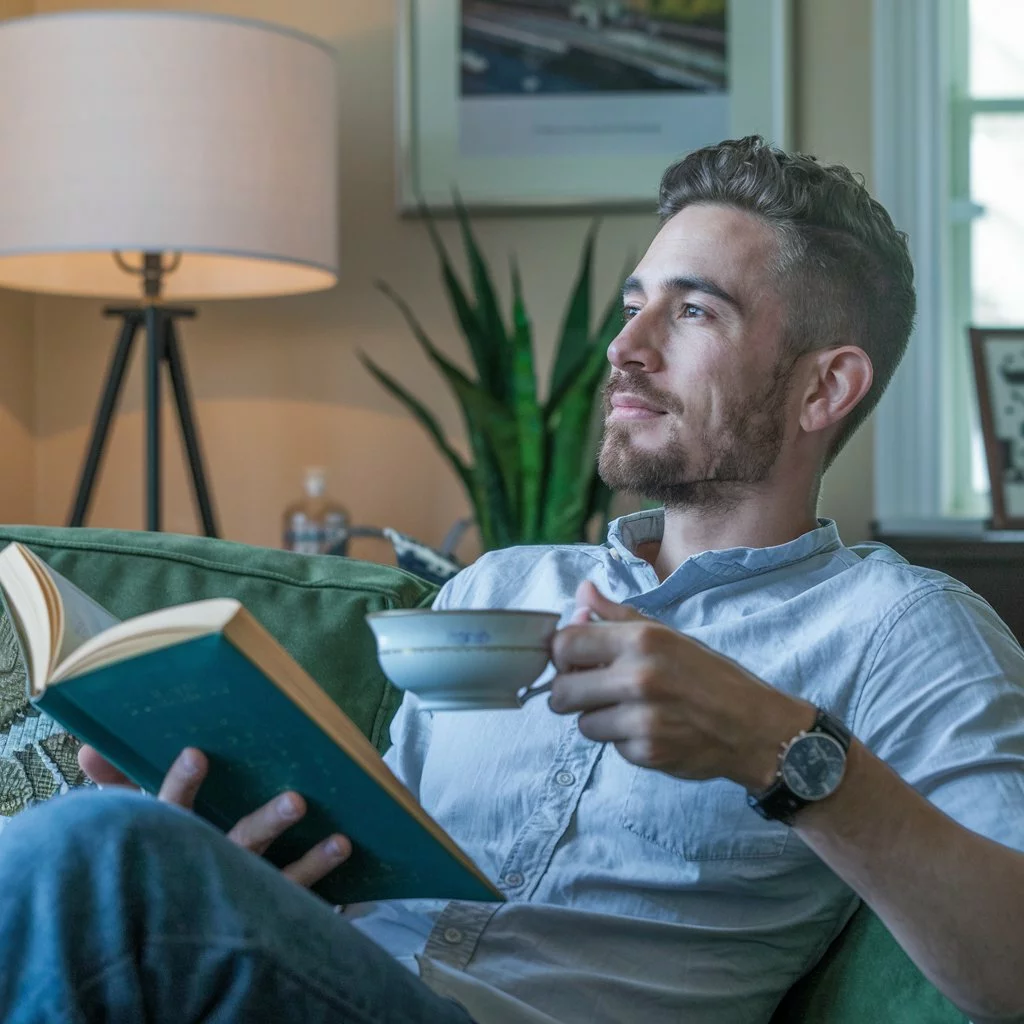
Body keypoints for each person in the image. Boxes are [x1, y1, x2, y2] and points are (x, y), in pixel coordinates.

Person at [2, 136, 1023, 1024]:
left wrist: (775, 747)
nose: (624, 348)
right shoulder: (499, 583)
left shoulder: (900, 626)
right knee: (103, 844)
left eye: (694, 312)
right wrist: (242, 866)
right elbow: (360, 881)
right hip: (324, 983)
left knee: (98, 851)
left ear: (824, 387)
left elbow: (1008, 966)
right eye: (633, 305)